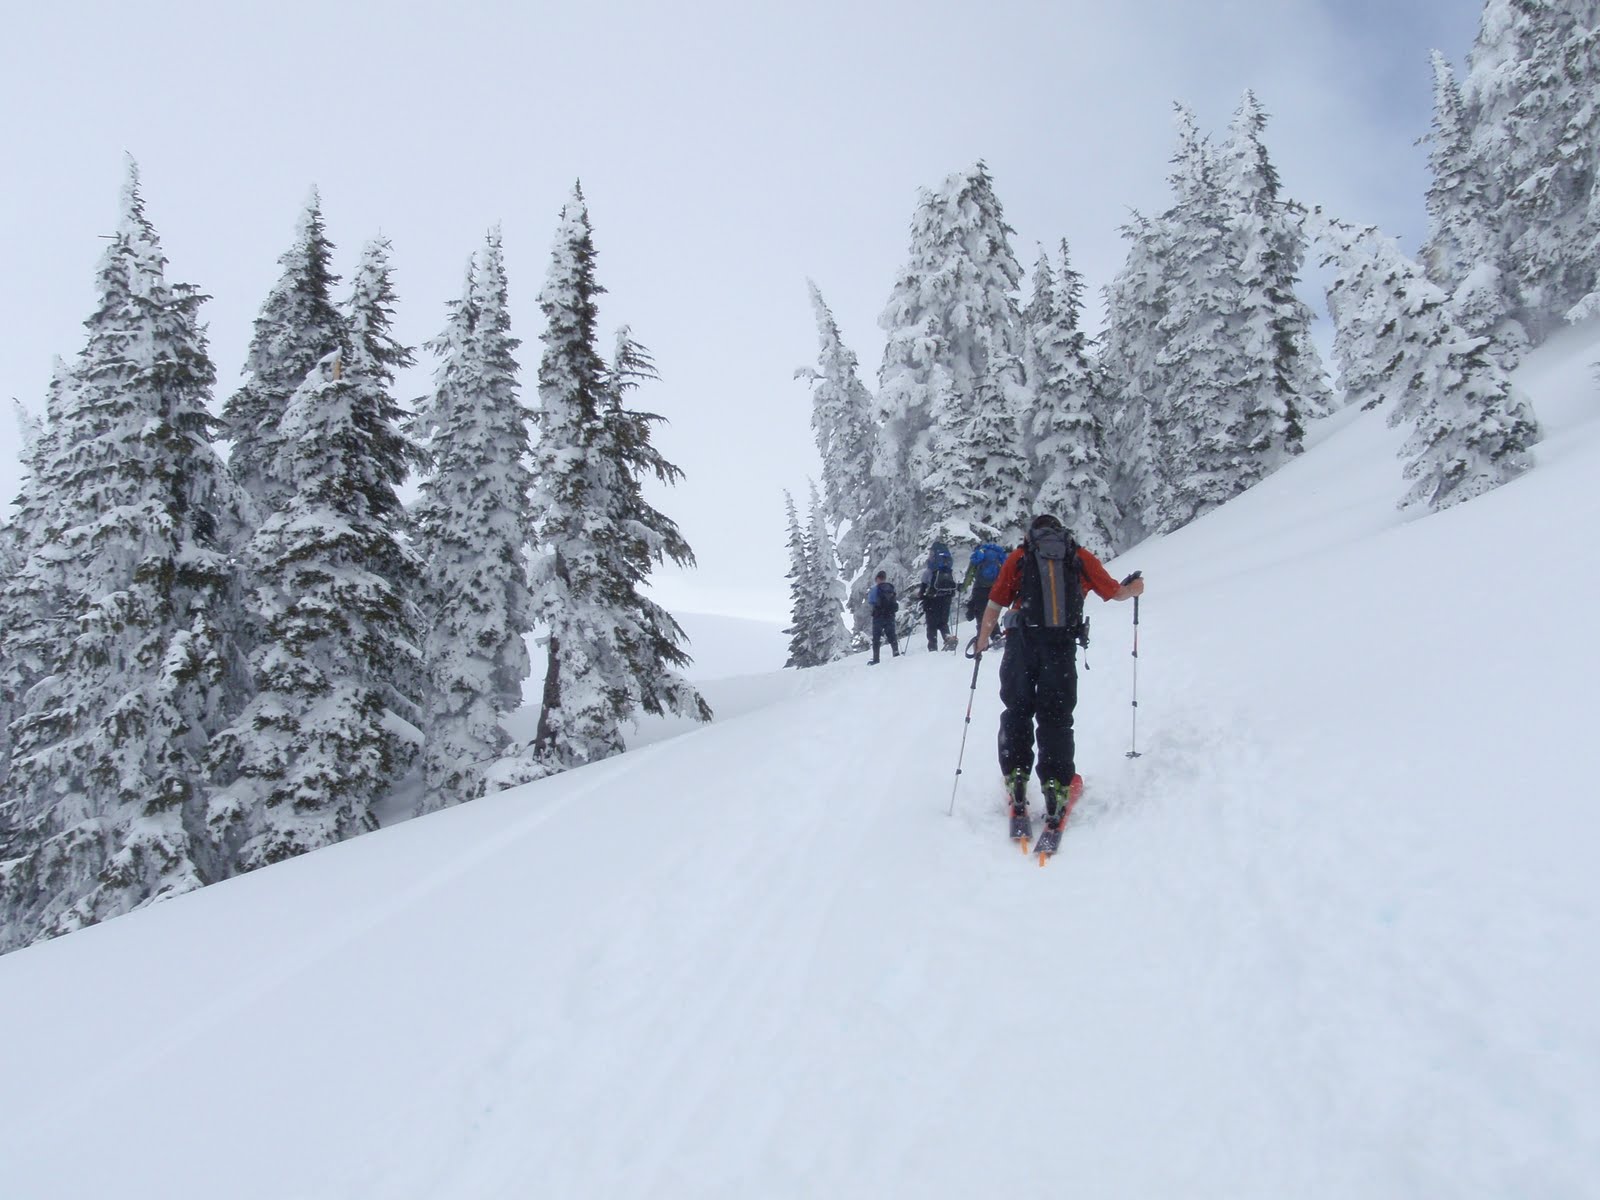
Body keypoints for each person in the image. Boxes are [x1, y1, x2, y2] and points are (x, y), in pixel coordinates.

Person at [973, 514, 1144, 830]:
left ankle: (1016, 779)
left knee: (1017, 711)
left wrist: (982, 642)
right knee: (1056, 718)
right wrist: (1134, 588)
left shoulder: (1021, 557)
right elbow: (1116, 593)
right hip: (1060, 649)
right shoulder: (1078, 556)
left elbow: (995, 604)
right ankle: (1056, 788)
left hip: (1021, 646)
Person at [916, 541, 959, 652]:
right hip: (946, 598)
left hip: (932, 600)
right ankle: (947, 637)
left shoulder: (929, 571)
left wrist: (921, 596)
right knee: (943, 622)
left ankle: (932, 647)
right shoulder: (948, 570)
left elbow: (923, 588)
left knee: (931, 625)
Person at [963, 540, 1008, 625]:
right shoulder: (998, 554)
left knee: (980, 611)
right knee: (991, 610)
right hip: (994, 587)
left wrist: (963, 587)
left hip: (980, 587)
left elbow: (970, 573)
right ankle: (995, 633)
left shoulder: (979, 554)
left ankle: (983, 634)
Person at [866, 571, 901, 664]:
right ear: (884, 578)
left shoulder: (875, 589)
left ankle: (876, 659)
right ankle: (896, 652)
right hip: (890, 615)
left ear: (878, 578)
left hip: (878, 616)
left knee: (876, 638)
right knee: (891, 635)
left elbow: (871, 601)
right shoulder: (891, 588)